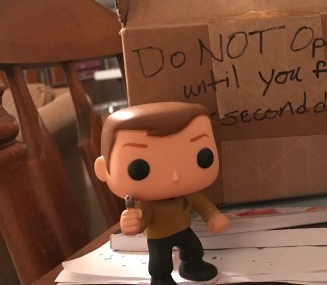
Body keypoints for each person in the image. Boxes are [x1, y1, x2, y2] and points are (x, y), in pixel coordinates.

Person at [94, 102, 229, 285]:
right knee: (159, 262)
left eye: (202, 157)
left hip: (184, 229)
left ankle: (192, 266)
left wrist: (212, 215)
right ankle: (161, 278)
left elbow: (201, 204)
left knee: (194, 249)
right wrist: (133, 224)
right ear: (103, 169)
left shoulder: (186, 195)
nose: (175, 177)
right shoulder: (146, 205)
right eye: (139, 168)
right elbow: (143, 220)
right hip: (158, 238)